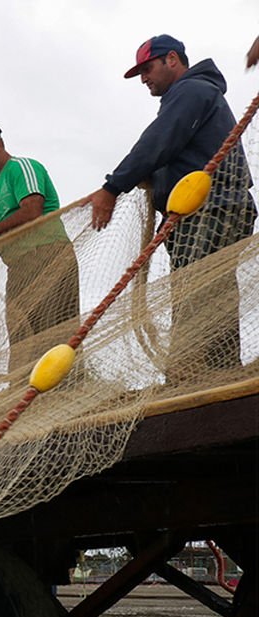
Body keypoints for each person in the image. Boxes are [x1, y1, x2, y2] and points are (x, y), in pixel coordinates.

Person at [86, 35, 256, 383]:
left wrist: (112, 186)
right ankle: (218, 374)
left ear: (173, 59)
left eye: (148, 69)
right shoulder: (191, 95)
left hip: (213, 207)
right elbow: (171, 147)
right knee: (213, 296)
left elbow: (160, 140)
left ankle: (190, 378)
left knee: (197, 295)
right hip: (208, 210)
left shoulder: (191, 91)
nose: (144, 79)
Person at [0, 124, 80, 370]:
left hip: (48, 255)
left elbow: (33, 211)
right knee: (22, 338)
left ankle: (68, 393)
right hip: (17, 270)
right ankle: (26, 398)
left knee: (55, 332)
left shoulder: (22, 167)